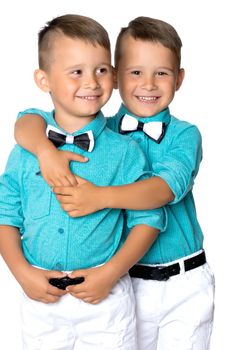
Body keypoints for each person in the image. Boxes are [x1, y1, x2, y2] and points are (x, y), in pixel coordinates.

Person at [14, 16, 215, 350]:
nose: (148, 84)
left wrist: (99, 197)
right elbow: (28, 120)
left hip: (185, 281)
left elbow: (164, 190)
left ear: (178, 79)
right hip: (126, 278)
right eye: (135, 72)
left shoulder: (185, 135)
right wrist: (43, 151)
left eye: (161, 73)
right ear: (116, 76)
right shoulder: (101, 131)